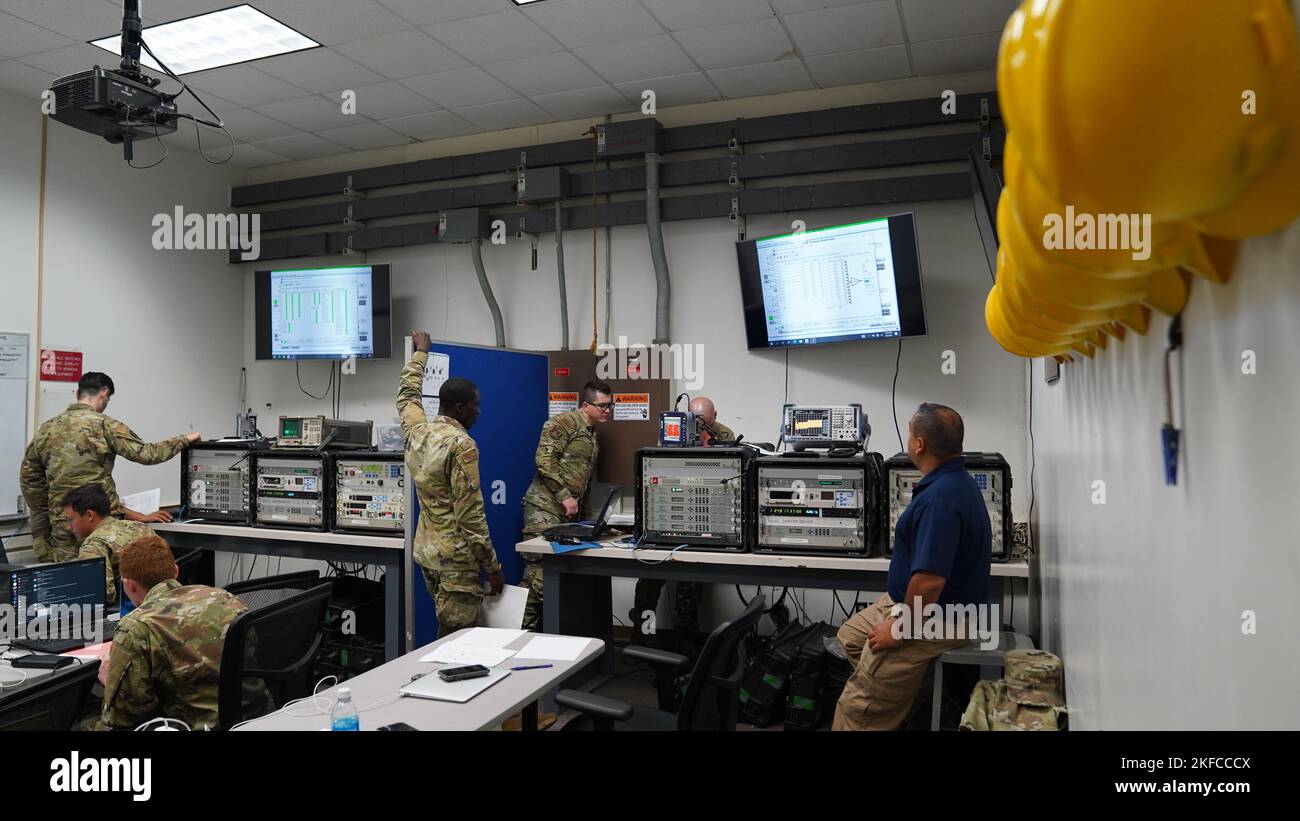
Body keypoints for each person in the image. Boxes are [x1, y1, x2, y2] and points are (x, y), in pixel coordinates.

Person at [832, 403, 992, 731]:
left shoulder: (940, 501)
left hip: (938, 617)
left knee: (858, 704)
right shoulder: (954, 482)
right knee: (850, 637)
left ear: (919, 444)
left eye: (909, 432)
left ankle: (878, 704)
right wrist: (895, 596)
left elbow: (931, 582)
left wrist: (898, 627)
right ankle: (904, 699)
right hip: (925, 607)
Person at [20, 372, 200, 563]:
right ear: (104, 393)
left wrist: (51, 509)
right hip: (99, 521)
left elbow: (29, 478)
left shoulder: (47, 429)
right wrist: (184, 439)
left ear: (77, 393)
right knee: (102, 574)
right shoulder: (106, 425)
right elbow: (147, 454)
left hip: (63, 521)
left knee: (68, 579)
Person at [398, 331, 503, 638]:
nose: (479, 411)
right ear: (460, 408)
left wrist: (421, 354)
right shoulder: (462, 445)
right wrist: (492, 566)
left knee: (447, 632)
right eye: (476, 405)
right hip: (456, 560)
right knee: (458, 642)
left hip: (429, 556)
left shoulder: (417, 433)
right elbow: (470, 516)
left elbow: (406, 395)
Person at [94, 534, 245, 731]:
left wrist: (110, 681)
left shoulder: (137, 626)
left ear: (129, 584)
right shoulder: (225, 598)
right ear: (175, 571)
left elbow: (123, 719)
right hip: (252, 718)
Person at [630, 395, 737, 644]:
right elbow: (659, 469)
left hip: (705, 518)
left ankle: (686, 646)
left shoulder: (726, 434)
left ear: (715, 417)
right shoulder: (673, 431)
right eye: (697, 422)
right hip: (668, 515)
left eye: (707, 423)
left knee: (688, 590)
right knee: (648, 582)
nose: (702, 428)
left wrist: (710, 445)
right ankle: (642, 637)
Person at [519, 379, 611, 630]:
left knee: (555, 581)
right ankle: (519, 635)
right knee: (538, 578)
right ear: (585, 405)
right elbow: (543, 460)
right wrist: (564, 496)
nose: (607, 411)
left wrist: (590, 519)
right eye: (602, 406)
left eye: (609, 406)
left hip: (567, 514)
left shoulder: (592, 436)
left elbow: (585, 480)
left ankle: (540, 637)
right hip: (544, 507)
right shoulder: (563, 423)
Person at [63, 483, 153, 607]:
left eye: (70, 519)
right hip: (161, 602)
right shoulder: (140, 527)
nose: (69, 527)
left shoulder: (93, 544)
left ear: (90, 515)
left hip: (130, 609)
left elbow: (103, 596)